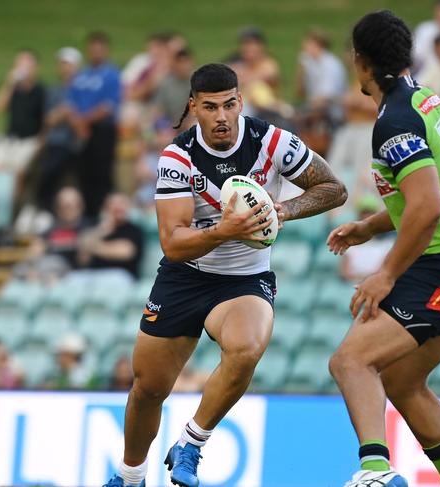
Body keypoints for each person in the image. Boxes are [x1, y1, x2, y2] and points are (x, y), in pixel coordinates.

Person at [103, 63, 346, 487]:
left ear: (241, 102)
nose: (222, 116)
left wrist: (282, 209)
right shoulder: (178, 157)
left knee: (247, 348)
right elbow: (173, 243)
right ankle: (130, 476)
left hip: (243, 280)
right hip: (185, 275)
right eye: (211, 107)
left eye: (230, 105)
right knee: (148, 388)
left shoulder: (271, 141)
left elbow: (333, 188)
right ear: (194, 106)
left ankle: (191, 444)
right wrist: (224, 230)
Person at [327, 11, 440, 487]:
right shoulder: (423, 100)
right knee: (402, 382)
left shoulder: (394, 120)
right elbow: (427, 196)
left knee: (351, 361)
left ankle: (377, 472)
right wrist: (371, 226)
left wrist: (386, 273)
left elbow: (427, 208)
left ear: (360, 61)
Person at [67, 31, 121, 218]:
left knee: (102, 173)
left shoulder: (111, 75)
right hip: (81, 131)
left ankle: (101, 213)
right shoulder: (80, 76)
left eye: (100, 48)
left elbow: (108, 106)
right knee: (83, 173)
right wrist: (77, 123)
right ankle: (86, 213)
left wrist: (84, 121)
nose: (96, 52)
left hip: (102, 130)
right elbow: (70, 102)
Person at [36, 47, 83, 211]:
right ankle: (45, 209)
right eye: (62, 64)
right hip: (57, 142)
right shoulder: (54, 90)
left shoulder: (83, 88)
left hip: (78, 142)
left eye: (68, 64)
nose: (65, 68)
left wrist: (66, 113)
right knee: (48, 174)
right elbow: (49, 118)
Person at [0, 49, 45, 175]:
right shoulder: (12, 89)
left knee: (16, 171)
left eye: (27, 64)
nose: (22, 68)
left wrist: (41, 141)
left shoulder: (40, 91)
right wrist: (9, 83)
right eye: (19, 64)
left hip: (30, 140)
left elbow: (45, 118)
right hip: (9, 139)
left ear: (35, 67)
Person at [78, 193, 144, 280]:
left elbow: (125, 252)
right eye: (112, 203)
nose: (117, 207)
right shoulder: (97, 228)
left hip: (120, 276)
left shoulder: (134, 230)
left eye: (121, 203)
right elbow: (82, 259)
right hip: (93, 275)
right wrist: (100, 231)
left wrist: (91, 246)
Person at [340, 196, 396, 283]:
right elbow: (344, 272)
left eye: (370, 213)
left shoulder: (388, 244)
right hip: (351, 285)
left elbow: (384, 270)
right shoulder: (349, 245)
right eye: (364, 212)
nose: (366, 216)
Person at [296, 28, 347, 121]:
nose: (303, 46)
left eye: (307, 43)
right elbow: (300, 93)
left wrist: (303, 112)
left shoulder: (330, 65)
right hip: (315, 109)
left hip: (332, 115)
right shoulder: (310, 63)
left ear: (318, 45)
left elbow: (325, 99)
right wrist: (301, 71)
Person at [154, 47, 195, 130]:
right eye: (180, 62)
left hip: (192, 122)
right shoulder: (166, 83)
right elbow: (159, 109)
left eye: (185, 62)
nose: (183, 66)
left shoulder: (199, 82)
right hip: (170, 123)